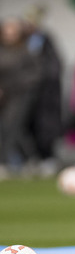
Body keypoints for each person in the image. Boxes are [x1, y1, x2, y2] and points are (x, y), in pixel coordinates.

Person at [23, 6, 63, 173]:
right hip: (24, 94)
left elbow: (54, 67)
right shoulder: (21, 41)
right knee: (25, 127)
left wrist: (40, 83)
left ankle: (47, 159)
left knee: (45, 128)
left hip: (45, 95)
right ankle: (29, 158)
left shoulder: (46, 41)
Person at [0, 17, 41, 172]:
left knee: (11, 127)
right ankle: (32, 159)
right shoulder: (1, 50)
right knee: (12, 130)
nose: (8, 34)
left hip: (19, 96)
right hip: (2, 95)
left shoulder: (25, 52)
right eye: (6, 31)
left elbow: (34, 74)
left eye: (12, 31)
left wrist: (12, 87)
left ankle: (4, 163)